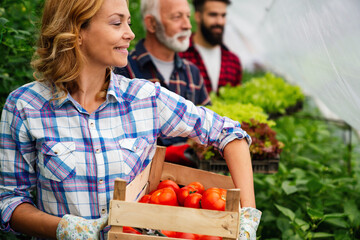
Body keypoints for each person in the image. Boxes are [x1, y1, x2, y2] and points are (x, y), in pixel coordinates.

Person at [0, 0, 261, 239]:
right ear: (76, 31)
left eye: (129, 22)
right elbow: (10, 201)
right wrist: (63, 228)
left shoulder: (145, 98)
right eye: (117, 23)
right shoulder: (25, 106)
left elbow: (230, 133)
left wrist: (247, 215)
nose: (130, 33)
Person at [115, 0, 211, 167]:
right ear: (151, 24)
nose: (187, 25)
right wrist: (166, 153)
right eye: (177, 17)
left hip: (188, 185)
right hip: (138, 184)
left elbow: (206, 128)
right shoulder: (122, 69)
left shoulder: (192, 73)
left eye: (188, 17)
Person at [179, 0, 242, 93]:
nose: (220, 21)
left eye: (223, 15)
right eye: (213, 15)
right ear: (197, 16)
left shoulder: (233, 61)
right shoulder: (180, 55)